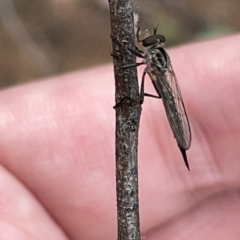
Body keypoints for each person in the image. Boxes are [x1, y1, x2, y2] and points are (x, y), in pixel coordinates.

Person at [0, 34, 239, 240]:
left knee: (162, 100)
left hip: (166, 93)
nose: (147, 41)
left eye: (150, 41)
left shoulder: (153, 60)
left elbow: (144, 71)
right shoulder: (153, 57)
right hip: (157, 78)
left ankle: (173, 134)